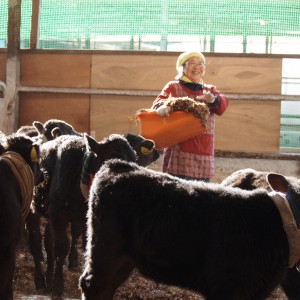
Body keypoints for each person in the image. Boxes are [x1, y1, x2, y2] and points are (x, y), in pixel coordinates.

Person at [152, 51, 229, 181]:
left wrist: (213, 100)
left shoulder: (209, 90)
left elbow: (222, 106)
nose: (197, 67)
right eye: (192, 63)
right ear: (182, 67)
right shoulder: (173, 87)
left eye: (201, 63)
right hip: (178, 156)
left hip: (204, 155)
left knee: (202, 196)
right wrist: (162, 107)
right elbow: (158, 103)